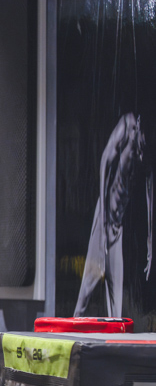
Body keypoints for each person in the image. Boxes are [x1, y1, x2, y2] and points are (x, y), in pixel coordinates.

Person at [74, 112, 152, 317]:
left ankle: (113, 347)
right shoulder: (127, 127)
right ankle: (70, 342)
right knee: (86, 291)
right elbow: (104, 162)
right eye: (143, 140)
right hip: (105, 218)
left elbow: (150, 192)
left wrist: (151, 242)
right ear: (140, 130)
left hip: (117, 228)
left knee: (116, 305)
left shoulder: (146, 152)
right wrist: (104, 220)